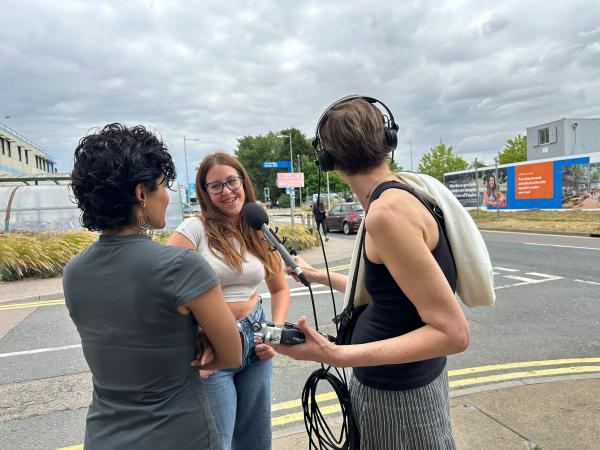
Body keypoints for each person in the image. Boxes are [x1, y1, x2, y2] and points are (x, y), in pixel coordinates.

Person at [270, 97, 470, 449]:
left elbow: (454, 334)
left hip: (397, 397)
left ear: (329, 161)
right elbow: (397, 295)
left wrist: (334, 355)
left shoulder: (386, 214)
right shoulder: (404, 195)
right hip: (410, 383)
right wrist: (317, 275)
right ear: (387, 141)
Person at [65, 124, 242, 450]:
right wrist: (200, 342)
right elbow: (231, 355)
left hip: (104, 436)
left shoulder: (73, 272)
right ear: (141, 193)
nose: (167, 195)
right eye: (162, 184)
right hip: (180, 435)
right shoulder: (181, 267)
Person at [167, 152, 290, 450]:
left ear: (243, 182)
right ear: (205, 193)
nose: (227, 191)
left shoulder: (258, 228)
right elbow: (161, 289)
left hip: (257, 338)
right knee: (217, 441)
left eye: (231, 181)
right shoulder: (195, 230)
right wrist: (193, 334)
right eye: (216, 186)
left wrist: (274, 335)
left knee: (257, 439)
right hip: (213, 345)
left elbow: (280, 289)